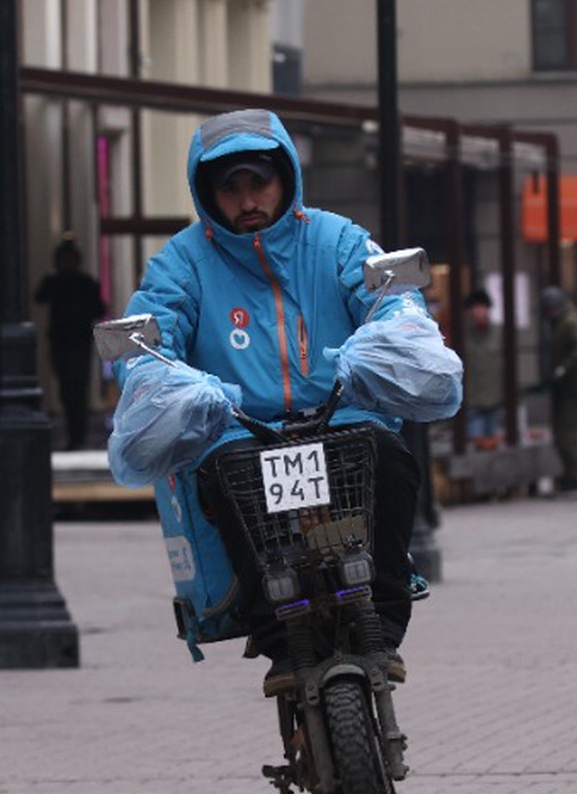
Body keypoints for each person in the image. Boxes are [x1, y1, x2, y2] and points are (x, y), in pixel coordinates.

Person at [110, 108, 460, 695]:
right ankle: (277, 639)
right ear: (206, 192)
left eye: (258, 181)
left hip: (342, 416)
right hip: (238, 430)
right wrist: (158, 373)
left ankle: (386, 620)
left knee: (390, 457)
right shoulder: (183, 261)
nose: (247, 199)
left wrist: (394, 332)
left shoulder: (339, 239)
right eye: (230, 187)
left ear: (286, 177)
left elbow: (387, 298)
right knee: (223, 479)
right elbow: (151, 332)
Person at [33, 238, 108, 451]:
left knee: (78, 389)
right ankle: (74, 434)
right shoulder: (56, 282)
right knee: (67, 390)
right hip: (61, 341)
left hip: (79, 342)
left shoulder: (85, 283)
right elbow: (39, 296)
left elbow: (99, 309)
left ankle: (78, 435)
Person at [540, 286, 577, 492]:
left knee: (567, 435)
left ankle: (573, 477)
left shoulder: (570, 321)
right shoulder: (561, 322)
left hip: (575, 388)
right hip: (566, 388)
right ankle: (568, 475)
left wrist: (565, 366)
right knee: (562, 433)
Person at [461, 288, 506, 449]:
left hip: (494, 399)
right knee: (474, 444)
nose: (480, 311)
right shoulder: (463, 334)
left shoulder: (499, 333)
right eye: (476, 307)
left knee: (491, 445)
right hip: (471, 400)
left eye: (483, 307)